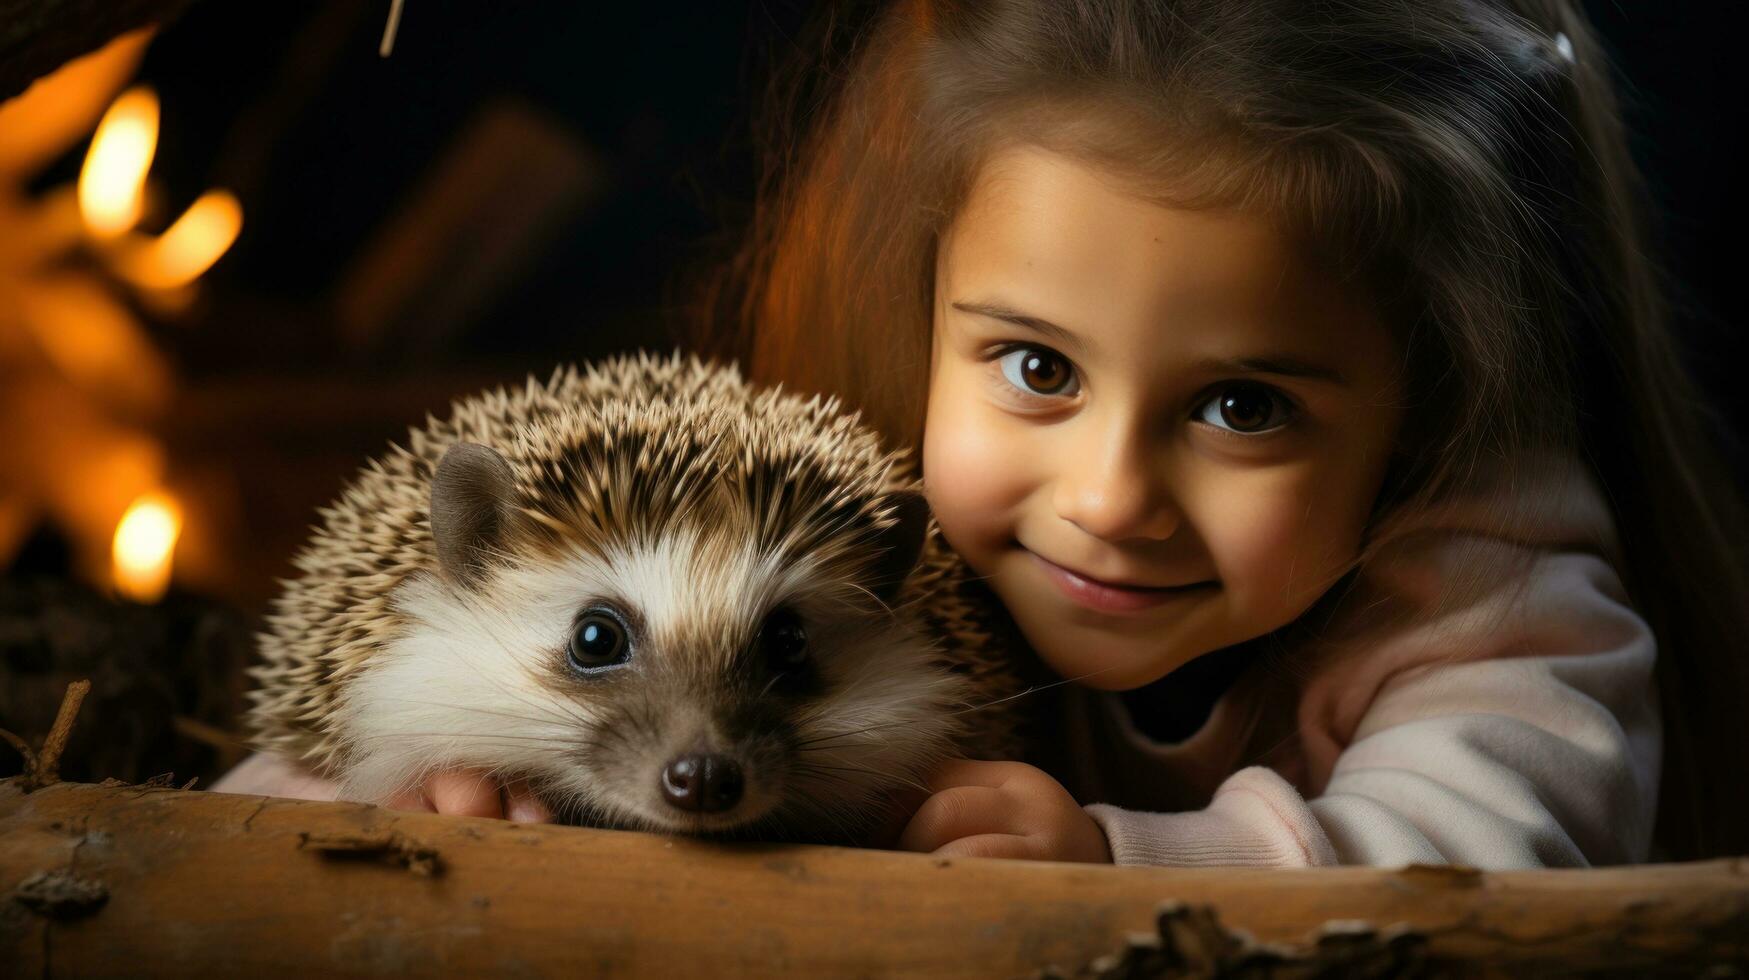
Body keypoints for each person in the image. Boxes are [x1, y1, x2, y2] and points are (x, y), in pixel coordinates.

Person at [219, 0, 1749, 866]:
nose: (1107, 496)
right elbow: (259, 809)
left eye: (1242, 406)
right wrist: (377, 803)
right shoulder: (857, 494)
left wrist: (1112, 862)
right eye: (1035, 366)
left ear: (1431, 403)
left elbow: (1472, 866)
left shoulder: (1499, 613)